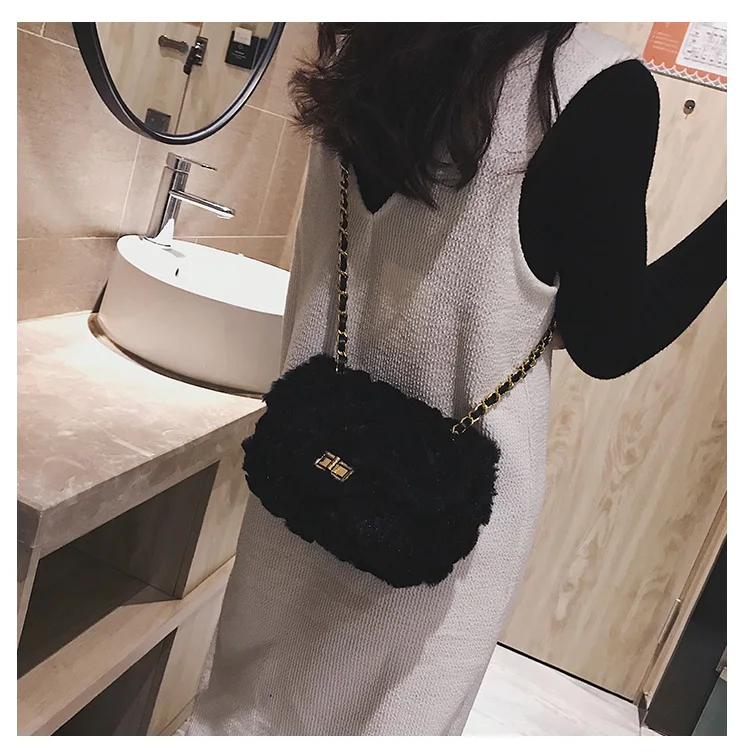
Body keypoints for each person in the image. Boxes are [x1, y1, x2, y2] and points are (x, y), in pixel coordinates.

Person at [186, 23, 726, 736]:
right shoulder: (594, 87)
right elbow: (607, 339)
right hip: (442, 521)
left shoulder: (363, 38)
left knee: (243, 709)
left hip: (309, 468)